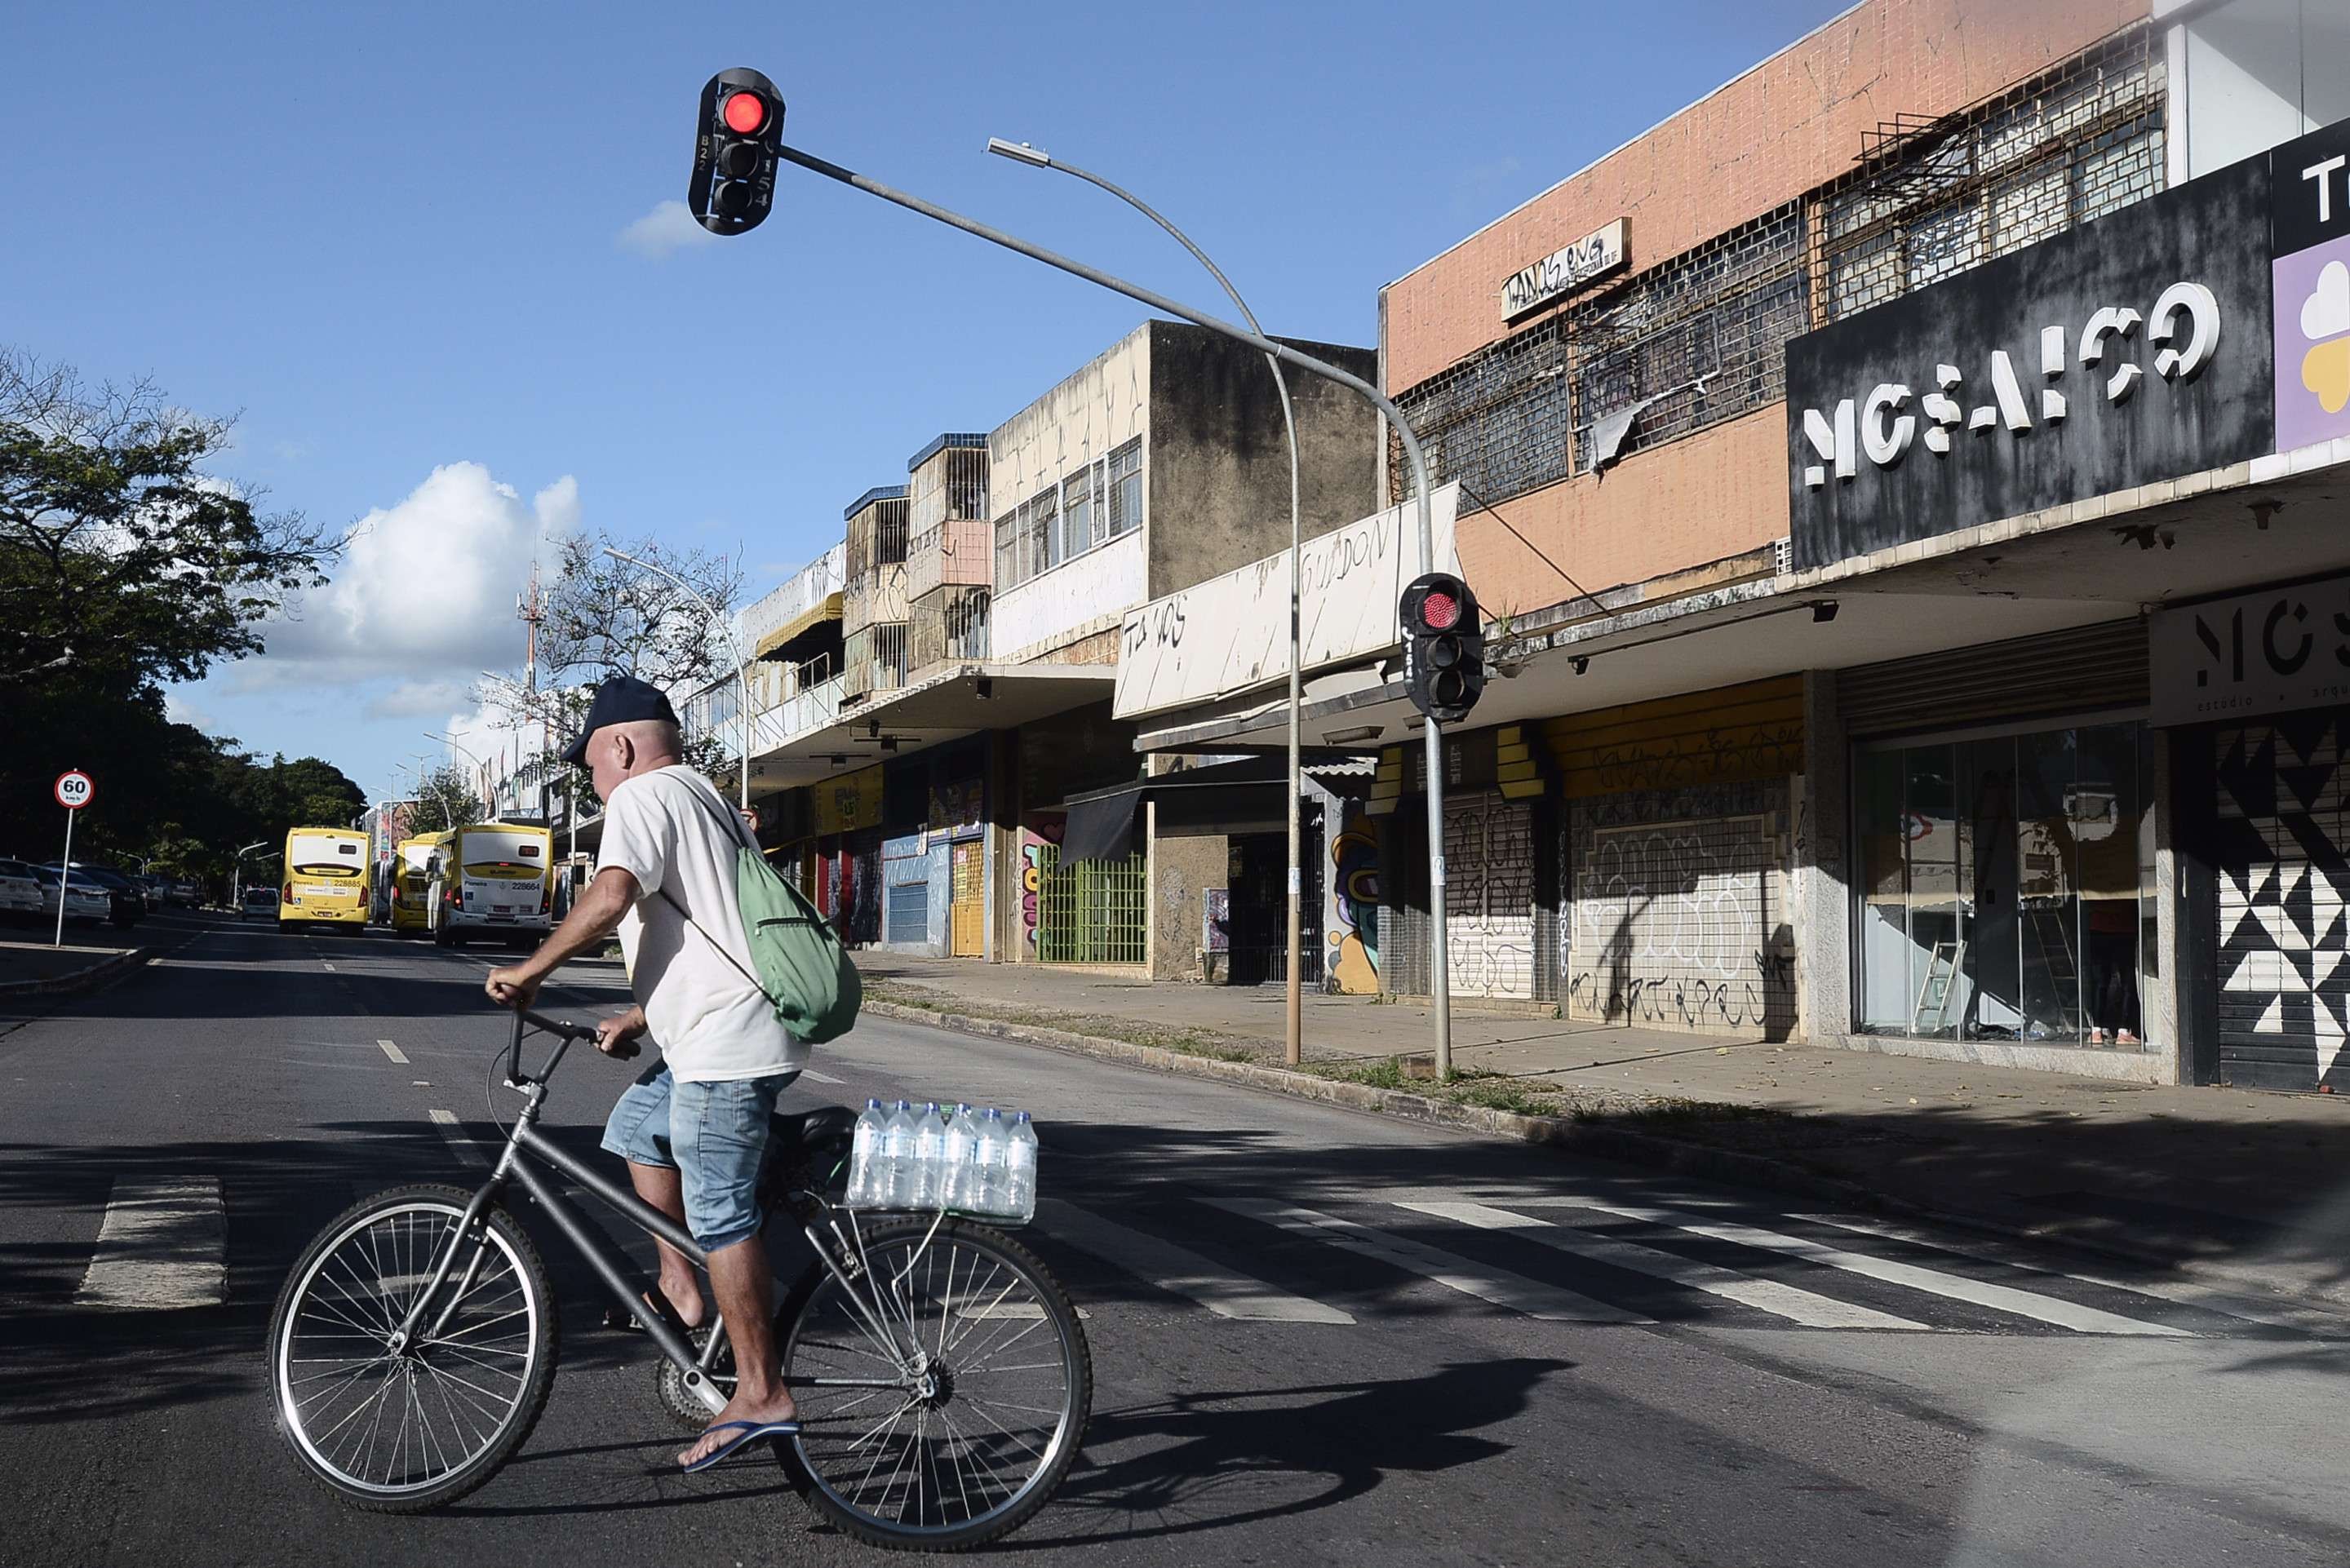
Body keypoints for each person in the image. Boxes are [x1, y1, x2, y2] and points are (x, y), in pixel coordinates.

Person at [484, 674, 801, 1473]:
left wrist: (532, 971)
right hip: (718, 1028)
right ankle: (685, 1290)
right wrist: (641, 1015)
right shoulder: (707, 798)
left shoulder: (641, 796)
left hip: (728, 1047)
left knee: (722, 1209)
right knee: (633, 1126)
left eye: (591, 765)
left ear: (620, 745)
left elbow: (614, 891)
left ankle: (760, 1389)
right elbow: (721, 934)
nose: (592, 781)